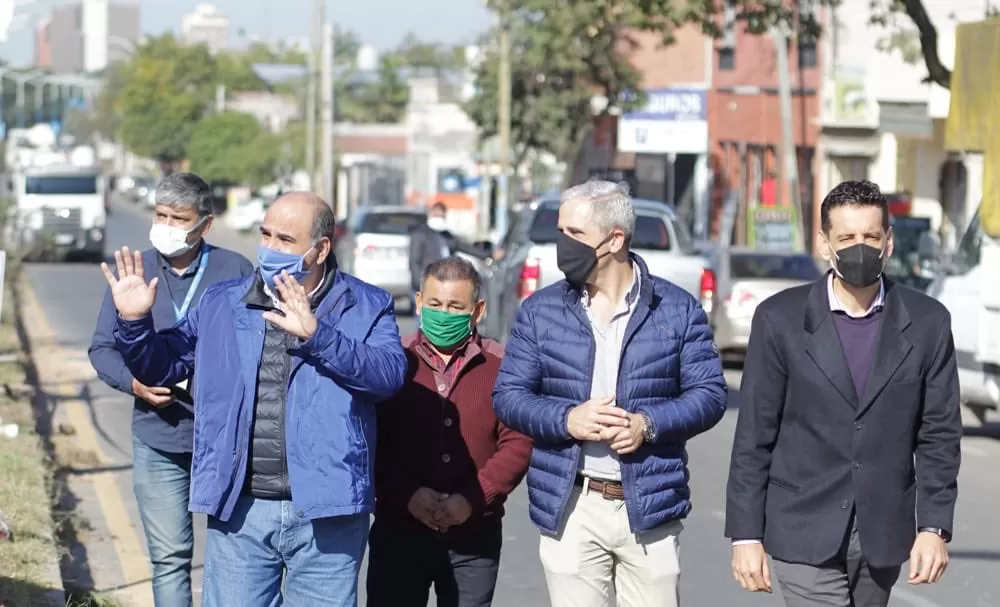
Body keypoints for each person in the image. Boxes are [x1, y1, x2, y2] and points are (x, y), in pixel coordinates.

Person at [100, 192, 407, 607]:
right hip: (241, 507)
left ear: (320, 249)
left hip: (328, 512)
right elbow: (162, 367)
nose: (270, 248)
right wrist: (134, 323)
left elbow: (387, 377)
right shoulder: (222, 302)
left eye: (285, 239)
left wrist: (319, 336)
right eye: (266, 235)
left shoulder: (368, 305)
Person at [492, 180, 728, 607]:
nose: (562, 244)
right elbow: (509, 397)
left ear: (615, 239)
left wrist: (648, 425)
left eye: (575, 235)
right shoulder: (540, 311)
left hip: (650, 507)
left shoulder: (677, 310)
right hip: (572, 506)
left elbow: (710, 394)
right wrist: (567, 420)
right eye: (560, 232)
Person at [726, 179, 962, 606]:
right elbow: (754, 436)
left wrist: (934, 527)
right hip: (802, 527)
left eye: (871, 236)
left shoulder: (928, 323)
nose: (861, 247)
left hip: (883, 532)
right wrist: (745, 534)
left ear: (888, 243)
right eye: (847, 237)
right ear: (824, 244)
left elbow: (939, 435)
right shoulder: (780, 320)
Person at [88, 172, 253, 607]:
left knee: (233, 556)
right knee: (170, 557)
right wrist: (134, 384)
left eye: (178, 218)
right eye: (160, 214)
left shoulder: (234, 269)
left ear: (205, 224)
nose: (166, 225)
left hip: (223, 441)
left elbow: (254, 347)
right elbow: (103, 349)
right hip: (158, 437)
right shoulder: (133, 272)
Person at [367, 256, 532, 607]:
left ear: (478, 310)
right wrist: (407, 494)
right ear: (419, 302)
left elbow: (517, 442)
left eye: (456, 306)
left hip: (474, 539)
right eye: (436, 304)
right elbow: (368, 439)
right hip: (399, 531)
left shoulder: (501, 366)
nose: (444, 313)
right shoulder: (393, 361)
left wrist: (472, 499)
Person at [409, 202, 495, 313]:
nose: (438, 219)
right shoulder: (420, 234)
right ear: (430, 214)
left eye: (441, 216)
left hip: (445, 286)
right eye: (436, 215)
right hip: (426, 285)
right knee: (424, 321)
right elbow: (414, 263)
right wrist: (421, 285)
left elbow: (464, 247)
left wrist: (488, 254)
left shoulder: (446, 236)